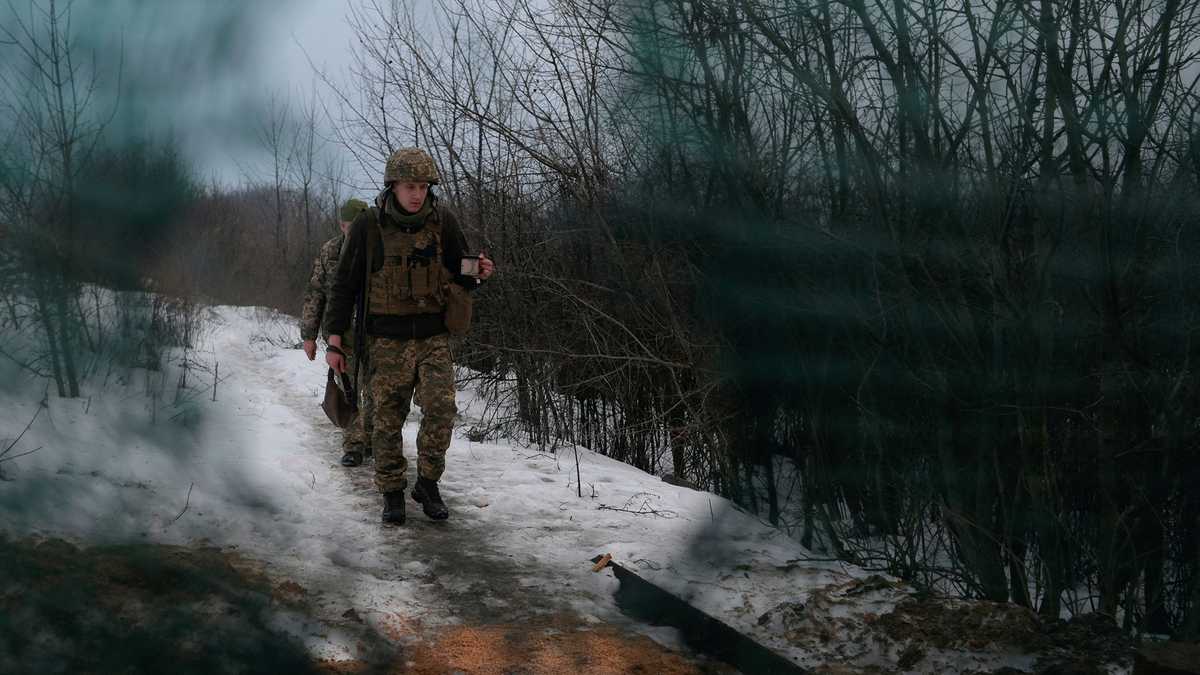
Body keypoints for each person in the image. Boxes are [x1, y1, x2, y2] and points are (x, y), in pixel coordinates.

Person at [323, 148, 494, 524]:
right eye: (409, 186)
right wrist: (334, 341)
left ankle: (428, 483)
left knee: (442, 410)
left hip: (433, 337)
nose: (416, 194)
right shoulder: (369, 226)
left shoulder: (441, 220)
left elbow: (459, 270)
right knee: (386, 418)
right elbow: (343, 287)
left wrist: (479, 271)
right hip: (385, 340)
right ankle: (392, 492)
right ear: (393, 186)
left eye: (422, 186)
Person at [301, 197, 373, 467]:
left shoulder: (380, 251)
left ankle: (374, 438)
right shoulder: (330, 251)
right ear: (341, 226)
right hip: (340, 333)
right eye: (347, 226)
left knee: (376, 390)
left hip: (377, 332)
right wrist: (308, 335)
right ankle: (354, 444)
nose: (352, 232)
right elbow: (315, 293)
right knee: (350, 389)